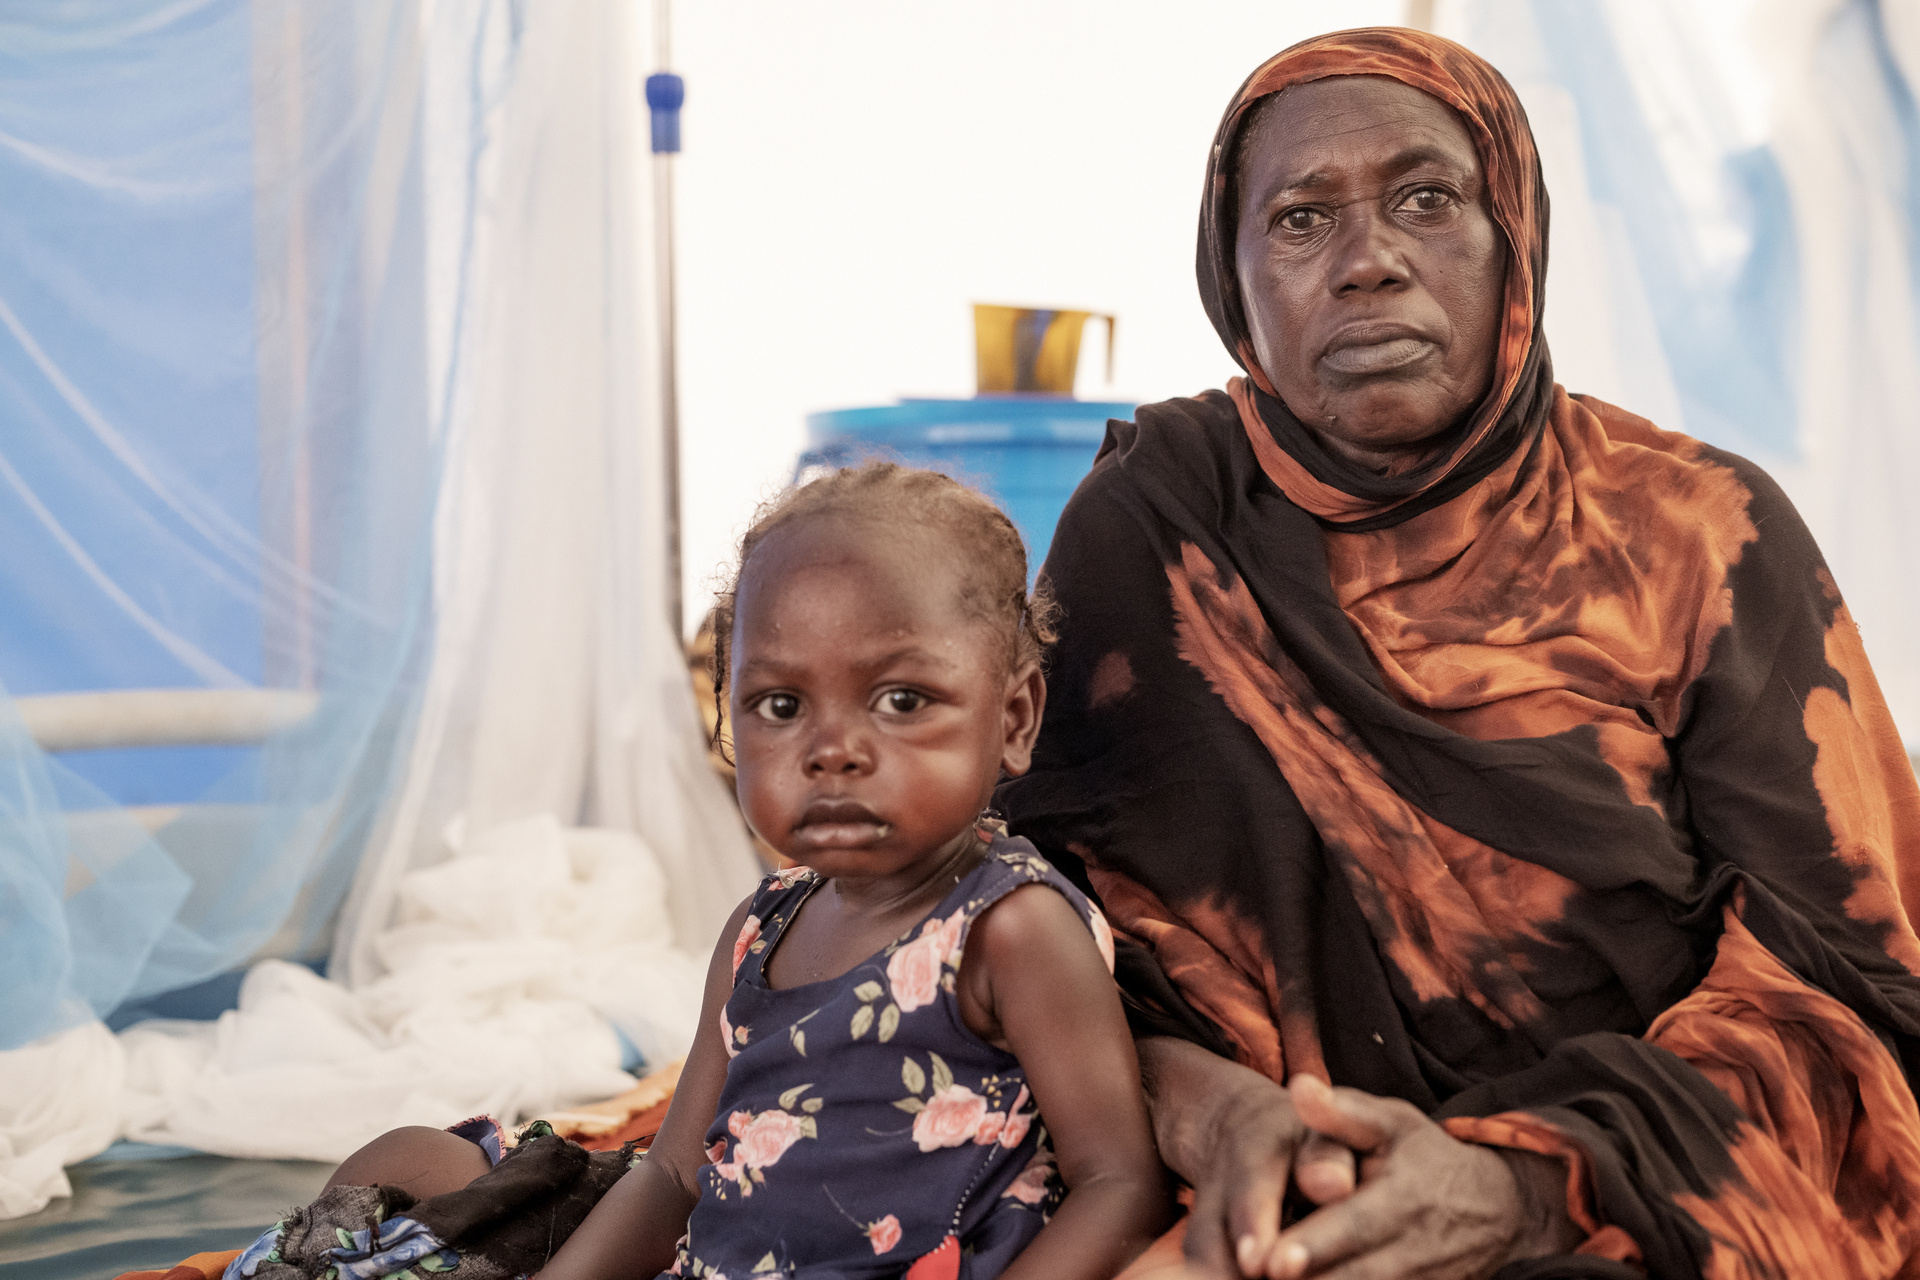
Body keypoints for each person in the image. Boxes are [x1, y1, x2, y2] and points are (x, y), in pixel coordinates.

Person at [998, 27, 1920, 1280]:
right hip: (1246, 1208)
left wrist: (1525, 1180)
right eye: (1302, 221)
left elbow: (1852, 987)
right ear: (1234, 280)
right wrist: (1223, 1120)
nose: (1369, 262)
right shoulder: (1151, 532)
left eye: (1427, 198)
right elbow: (1014, 933)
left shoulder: (1696, 529)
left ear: (1515, 235)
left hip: (1637, 1205)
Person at [242, 463, 1169, 1280]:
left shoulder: (1008, 929)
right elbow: (675, 1174)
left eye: (901, 698)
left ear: (1013, 720)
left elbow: (1119, 1182)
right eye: (780, 704)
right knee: (410, 1158)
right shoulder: (761, 927)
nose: (833, 749)